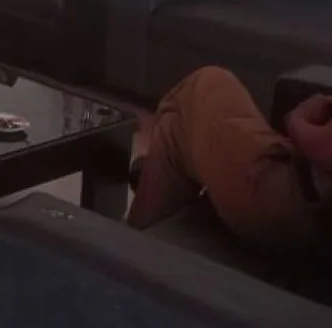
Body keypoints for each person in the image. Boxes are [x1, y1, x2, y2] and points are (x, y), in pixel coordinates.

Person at [128, 66, 331, 253]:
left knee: (204, 83)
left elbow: (322, 149)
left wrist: (296, 119)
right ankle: (127, 252)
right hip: (306, 191)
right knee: (174, 127)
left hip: (292, 200)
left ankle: (125, 253)